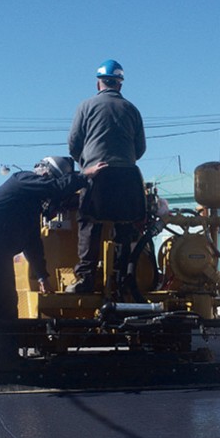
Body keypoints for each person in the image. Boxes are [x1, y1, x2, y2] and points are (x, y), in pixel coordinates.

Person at [0, 156, 106, 373]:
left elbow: (33, 243)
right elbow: (54, 187)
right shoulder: (23, 180)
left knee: (7, 303)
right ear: (46, 173)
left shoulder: (29, 208)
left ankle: (7, 360)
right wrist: (84, 176)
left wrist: (43, 276)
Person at [66, 59, 147, 293]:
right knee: (125, 225)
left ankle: (85, 279)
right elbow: (140, 149)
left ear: (98, 83)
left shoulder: (85, 106)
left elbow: (73, 144)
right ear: (120, 85)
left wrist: (87, 164)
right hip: (129, 178)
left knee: (88, 222)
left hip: (97, 177)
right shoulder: (132, 110)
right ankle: (124, 279)